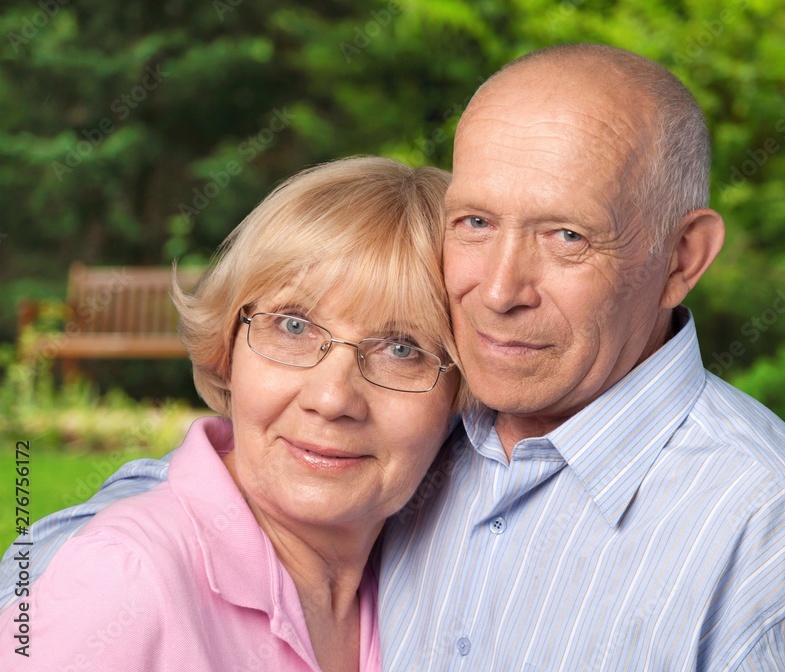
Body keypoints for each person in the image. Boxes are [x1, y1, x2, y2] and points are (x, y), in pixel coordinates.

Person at [2, 44, 785, 670]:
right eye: (476, 222)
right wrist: (68, 575)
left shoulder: (778, 542)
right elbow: (223, 489)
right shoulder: (451, 430)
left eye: (566, 235)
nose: (501, 287)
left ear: (683, 259)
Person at [0, 157, 461, 671]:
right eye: (293, 325)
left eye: (401, 349)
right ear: (227, 348)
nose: (332, 399)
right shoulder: (122, 580)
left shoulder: (425, 591)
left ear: (461, 394)